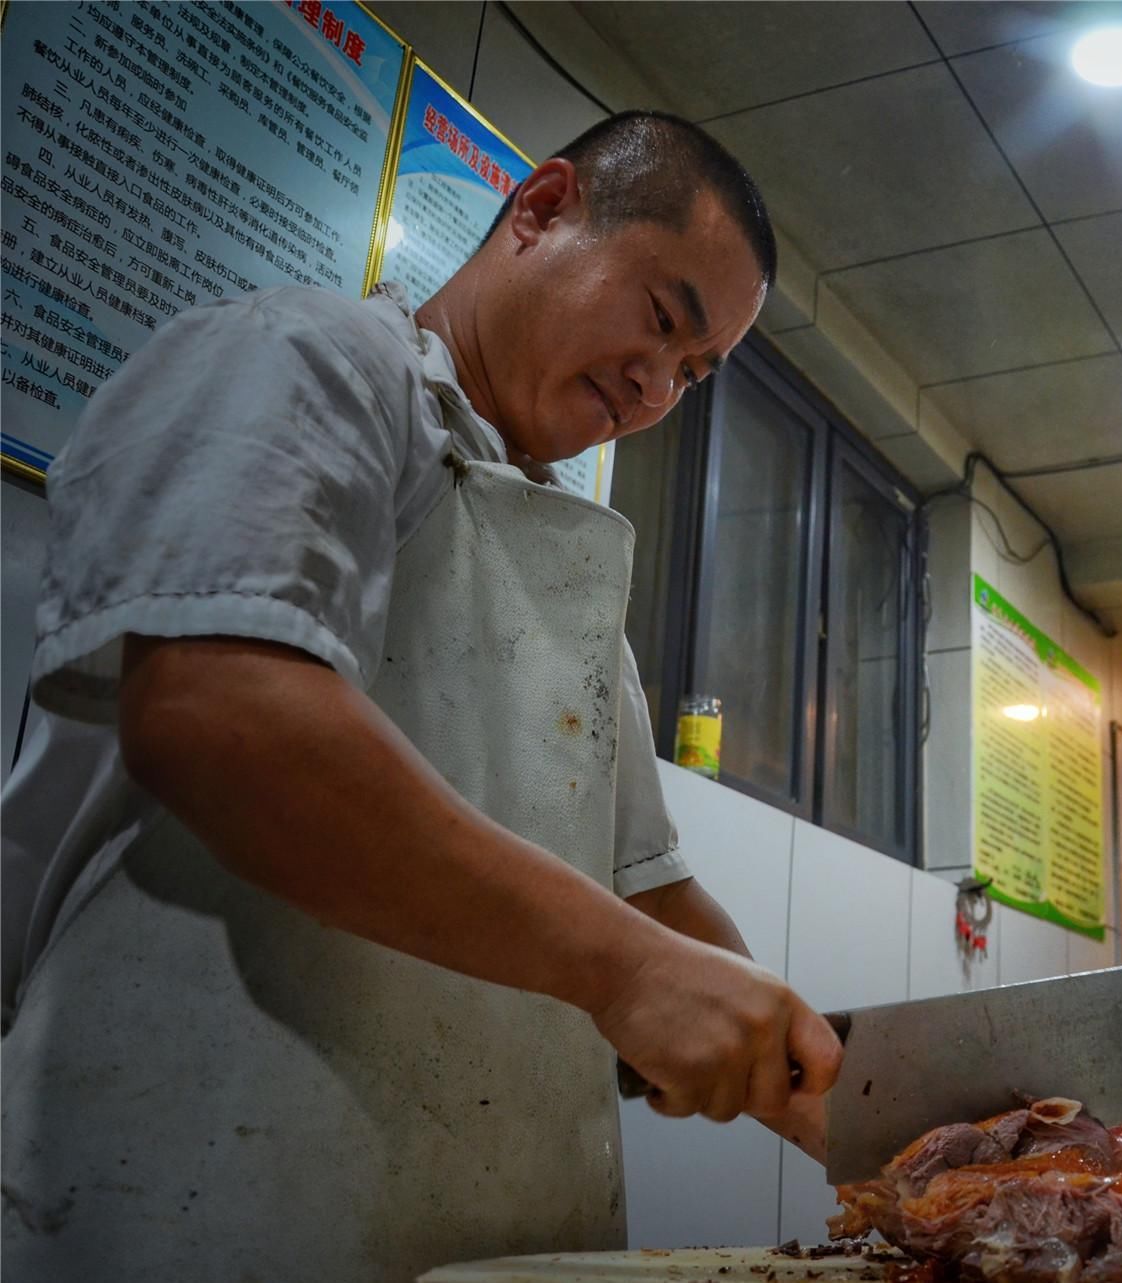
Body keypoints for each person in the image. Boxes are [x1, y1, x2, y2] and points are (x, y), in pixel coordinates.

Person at [0, 112, 842, 1282]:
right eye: (660, 320)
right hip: (197, 1192)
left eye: (692, 376)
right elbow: (225, 712)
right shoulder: (306, 359)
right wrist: (628, 974)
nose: (655, 386)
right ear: (542, 209)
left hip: (499, 1234)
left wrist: (831, 1080)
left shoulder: (571, 572)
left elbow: (651, 897)